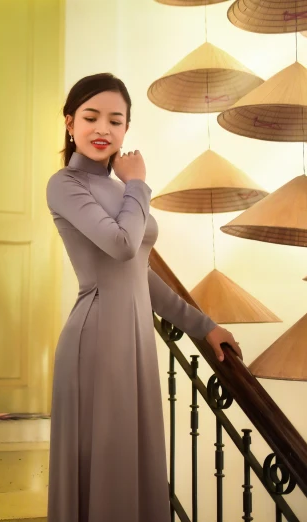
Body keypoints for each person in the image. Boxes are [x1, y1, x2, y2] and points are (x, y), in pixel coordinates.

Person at [46, 73, 242, 522]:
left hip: (134, 340)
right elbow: (121, 245)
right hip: (95, 341)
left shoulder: (119, 188)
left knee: (133, 462)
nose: (103, 130)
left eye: (116, 121)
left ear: (126, 130)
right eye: (91, 117)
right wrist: (139, 183)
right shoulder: (65, 184)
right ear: (70, 122)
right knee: (107, 464)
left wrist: (204, 326)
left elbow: (142, 276)